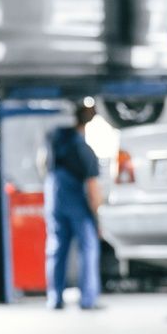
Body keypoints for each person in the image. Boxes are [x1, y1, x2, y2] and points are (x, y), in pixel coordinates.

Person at [45, 101, 105, 311]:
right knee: (88, 248)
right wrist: (99, 219)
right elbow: (92, 188)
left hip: (54, 198)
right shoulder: (85, 150)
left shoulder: (56, 138)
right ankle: (88, 300)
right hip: (77, 205)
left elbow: (42, 163)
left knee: (56, 249)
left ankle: (55, 299)